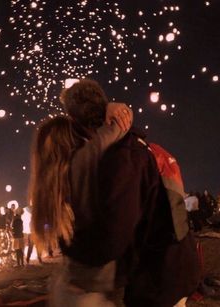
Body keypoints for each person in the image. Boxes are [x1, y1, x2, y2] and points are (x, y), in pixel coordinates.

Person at [61, 79, 200, 307]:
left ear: (79, 122)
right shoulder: (134, 144)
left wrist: (72, 255)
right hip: (172, 266)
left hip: (160, 278)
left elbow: (114, 234)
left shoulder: (121, 156)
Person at [30, 98, 132, 306]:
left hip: (69, 282)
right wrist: (111, 108)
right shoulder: (82, 161)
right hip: (91, 289)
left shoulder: (47, 186)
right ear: (70, 140)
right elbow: (120, 126)